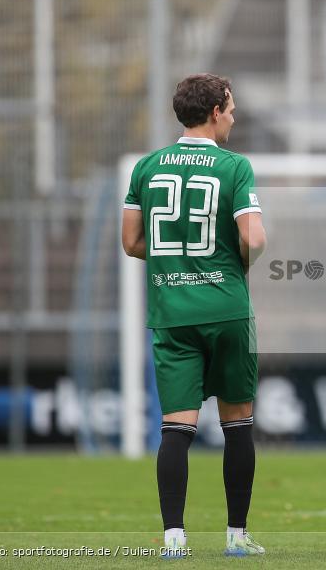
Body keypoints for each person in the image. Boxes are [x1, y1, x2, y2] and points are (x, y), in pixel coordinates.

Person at [121, 73, 267, 558]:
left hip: (172, 311)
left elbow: (131, 242)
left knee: (176, 428)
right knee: (238, 424)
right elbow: (254, 239)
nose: (233, 115)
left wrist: (175, 263)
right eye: (230, 106)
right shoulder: (235, 167)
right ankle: (237, 537)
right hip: (226, 309)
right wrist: (227, 266)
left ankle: (174, 540)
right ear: (214, 111)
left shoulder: (146, 167)